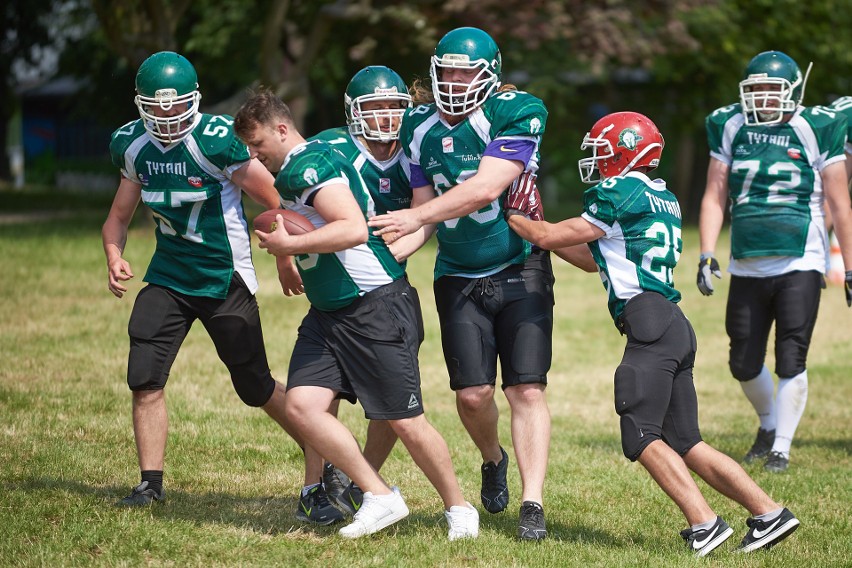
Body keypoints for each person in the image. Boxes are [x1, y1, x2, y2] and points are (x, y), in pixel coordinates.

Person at [506, 110, 801, 557]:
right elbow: (592, 258)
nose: (597, 160)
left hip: (648, 322)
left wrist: (515, 213)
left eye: (603, 150)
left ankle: (704, 524)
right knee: (688, 443)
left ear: (624, 152)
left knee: (639, 434)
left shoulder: (619, 189)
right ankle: (769, 513)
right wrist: (540, 237)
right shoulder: (660, 196)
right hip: (671, 322)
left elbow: (548, 234)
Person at [368, 26, 595, 541]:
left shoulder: (515, 112)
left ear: (489, 75)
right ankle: (494, 459)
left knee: (527, 389)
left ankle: (532, 502)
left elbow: (487, 187)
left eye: (465, 71)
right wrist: (381, 252)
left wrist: (415, 215)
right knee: (472, 396)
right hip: (459, 272)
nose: (453, 80)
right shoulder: (419, 128)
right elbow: (423, 218)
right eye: (446, 70)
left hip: (521, 264)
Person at [233, 89, 479, 540]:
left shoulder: (311, 165)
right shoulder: (297, 167)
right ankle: (380, 495)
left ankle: (459, 508)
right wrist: (282, 243)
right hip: (329, 312)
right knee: (303, 405)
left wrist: (290, 245)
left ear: (281, 129)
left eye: (257, 145)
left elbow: (350, 229)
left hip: (374, 305)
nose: (254, 156)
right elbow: (287, 218)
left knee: (404, 420)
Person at [102, 51, 314, 510]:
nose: (166, 116)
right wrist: (114, 255)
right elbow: (117, 217)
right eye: (156, 108)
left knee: (255, 386)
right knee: (145, 378)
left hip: (224, 276)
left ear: (192, 101)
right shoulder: (134, 146)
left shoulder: (214, 141)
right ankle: (150, 484)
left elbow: (276, 199)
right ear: (141, 104)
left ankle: (324, 454)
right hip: (169, 276)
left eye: (175, 106)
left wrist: (283, 256)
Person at [697, 51, 852, 473]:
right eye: (756, 89)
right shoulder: (729, 123)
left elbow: (839, 202)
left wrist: (849, 265)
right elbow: (715, 192)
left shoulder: (816, 124)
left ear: (793, 89)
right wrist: (707, 251)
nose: (763, 97)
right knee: (742, 362)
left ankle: (781, 445)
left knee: (791, 356)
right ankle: (768, 425)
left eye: (772, 89)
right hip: (747, 258)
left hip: (801, 255)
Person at [307, 65, 418, 514]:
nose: (387, 116)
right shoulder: (330, 150)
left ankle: (357, 479)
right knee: (319, 393)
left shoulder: (415, 150)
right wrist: (286, 257)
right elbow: (290, 204)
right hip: (336, 286)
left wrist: (392, 261)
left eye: (394, 106)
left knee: (394, 401)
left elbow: (424, 217)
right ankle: (315, 487)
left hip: (388, 290)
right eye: (375, 106)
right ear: (354, 112)